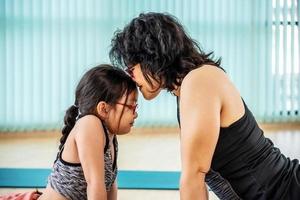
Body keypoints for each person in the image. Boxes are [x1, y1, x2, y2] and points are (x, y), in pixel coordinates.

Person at [109, 12, 300, 200]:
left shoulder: (199, 81)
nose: (131, 79)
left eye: (131, 70)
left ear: (150, 58)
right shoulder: (189, 86)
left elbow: (193, 177)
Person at [38, 64, 138, 200]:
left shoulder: (110, 136)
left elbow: (109, 186)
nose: (135, 114)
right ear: (104, 109)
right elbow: (95, 185)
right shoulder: (90, 124)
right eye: (131, 106)